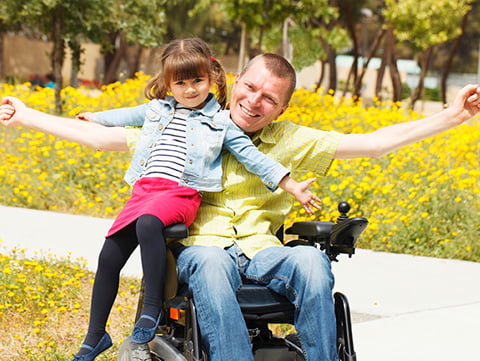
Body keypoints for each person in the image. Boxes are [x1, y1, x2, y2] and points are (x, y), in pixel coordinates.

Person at [1, 52, 479, 361]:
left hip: (263, 249)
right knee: (208, 263)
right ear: (234, 82)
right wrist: (26, 115)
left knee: (311, 260)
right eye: (249, 88)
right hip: (205, 248)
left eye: (270, 98)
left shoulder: (292, 141)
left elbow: (375, 143)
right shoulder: (187, 120)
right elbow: (99, 135)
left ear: (282, 108)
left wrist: (453, 115)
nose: (255, 102)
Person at [0, 41, 320, 361]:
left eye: (197, 81)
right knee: (109, 257)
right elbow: (119, 119)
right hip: (146, 191)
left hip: (180, 193)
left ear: (211, 78)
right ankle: (95, 336)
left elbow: (253, 158)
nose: (190, 90)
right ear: (168, 84)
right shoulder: (158, 111)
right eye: (180, 83)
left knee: (150, 223)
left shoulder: (221, 122)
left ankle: (151, 313)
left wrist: (290, 184)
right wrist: (89, 116)